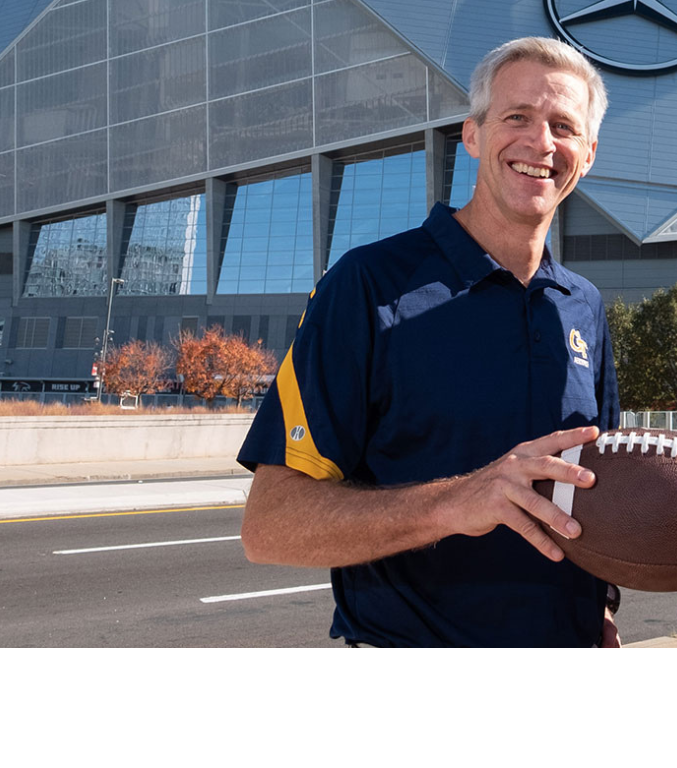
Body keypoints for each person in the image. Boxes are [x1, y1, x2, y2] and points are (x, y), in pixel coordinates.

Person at [238, 37, 621, 647]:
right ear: (472, 135)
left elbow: (593, 497)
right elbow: (270, 525)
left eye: (563, 126)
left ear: (589, 153)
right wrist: (456, 503)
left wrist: (600, 610)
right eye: (516, 117)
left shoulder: (584, 306)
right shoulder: (367, 286)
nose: (541, 143)